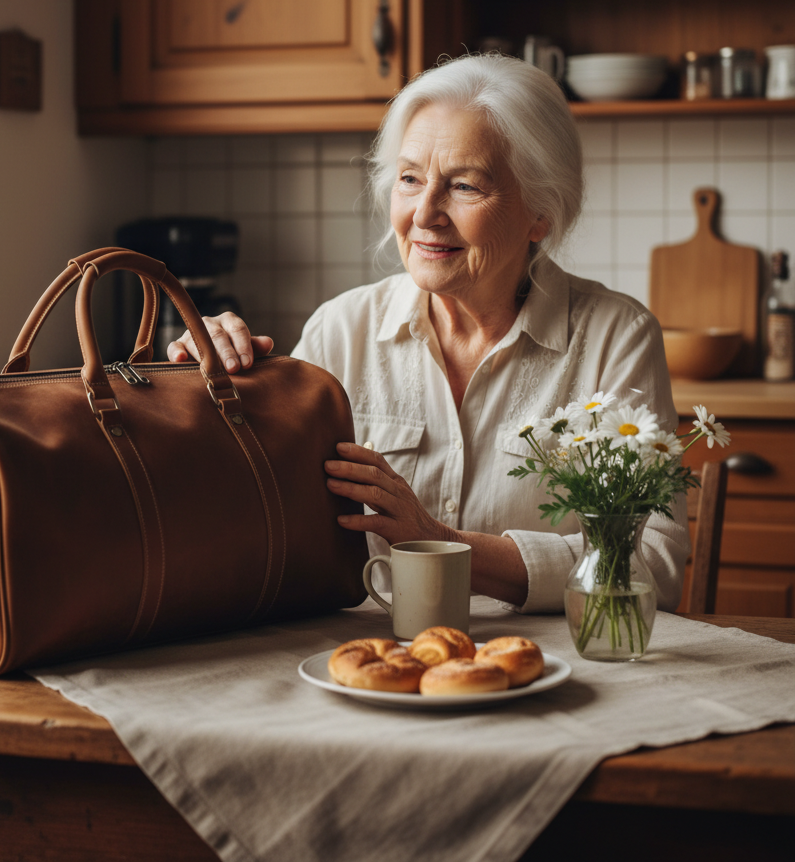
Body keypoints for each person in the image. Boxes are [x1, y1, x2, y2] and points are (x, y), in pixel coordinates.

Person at [169, 54, 689, 613]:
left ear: (540, 213)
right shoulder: (341, 330)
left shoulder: (616, 338)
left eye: (464, 186)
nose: (425, 214)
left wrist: (443, 543)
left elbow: (651, 562)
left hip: (541, 667)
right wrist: (204, 404)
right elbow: (261, 522)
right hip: (366, 661)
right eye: (410, 179)